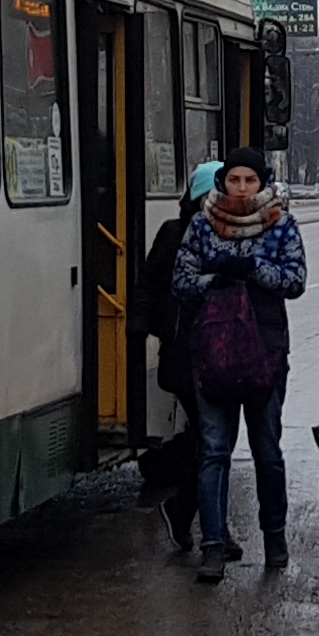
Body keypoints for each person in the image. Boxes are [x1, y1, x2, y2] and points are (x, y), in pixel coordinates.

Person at [172, 157, 307, 577]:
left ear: (262, 183)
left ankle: (275, 537)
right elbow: (180, 280)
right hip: (213, 350)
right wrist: (215, 279)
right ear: (222, 182)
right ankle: (213, 544)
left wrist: (255, 269)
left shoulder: (281, 224)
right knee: (214, 450)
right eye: (234, 179)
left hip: (265, 351)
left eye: (250, 179)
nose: (243, 187)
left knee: (267, 449)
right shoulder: (201, 224)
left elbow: (296, 279)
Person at [137, 165, 207, 553]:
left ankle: (194, 515)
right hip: (182, 354)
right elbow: (150, 283)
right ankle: (190, 515)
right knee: (211, 440)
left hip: (219, 358)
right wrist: (140, 325)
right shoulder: (174, 234)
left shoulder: (233, 234)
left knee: (211, 441)